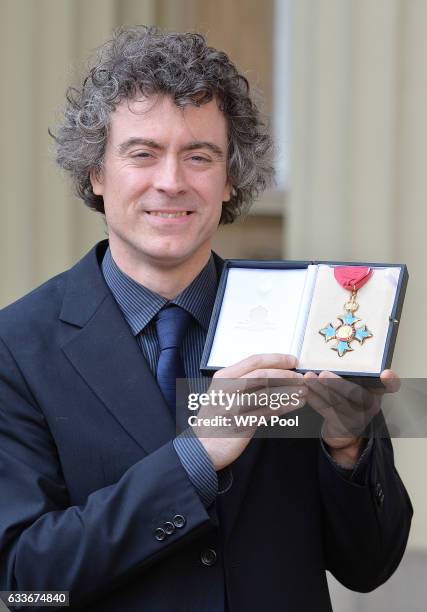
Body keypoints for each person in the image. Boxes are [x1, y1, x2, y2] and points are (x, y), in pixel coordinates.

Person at [0, 26, 412, 612]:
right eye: (142, 153)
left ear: (229, 180)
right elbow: (21, 585)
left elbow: (369, 566)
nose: (171, 181)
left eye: (199, 156)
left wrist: (349, 447)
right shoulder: (15, 347)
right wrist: (193, 459)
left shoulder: (301, 319)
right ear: (96, 173)